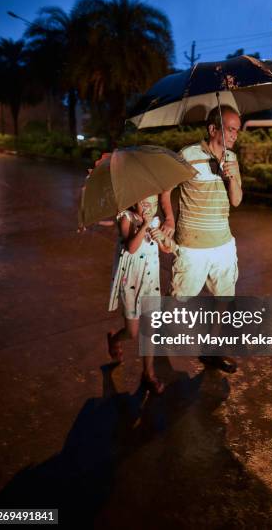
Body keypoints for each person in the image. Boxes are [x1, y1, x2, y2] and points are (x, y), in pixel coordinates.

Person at [168, 105, 243, 373]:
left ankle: (211, 350)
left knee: (224, 298)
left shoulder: (232, 158)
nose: (235, 134)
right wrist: (168, 219)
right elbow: (165, 189)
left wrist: (230, 177)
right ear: (213, 129)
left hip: (222, 243)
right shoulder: (187, 156)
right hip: (192, 245)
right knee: (177, 302)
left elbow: (236, 200)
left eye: (237, 130)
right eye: (230, 129)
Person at [107, 195, 175, 394]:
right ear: (133, 201)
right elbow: (131, 247)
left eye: (153, 203)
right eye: (144, 202)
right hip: (131, 282)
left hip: (150, 282)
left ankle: (148, 373)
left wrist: (163, 239)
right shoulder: (125, 217)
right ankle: (115, 339)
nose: (149, 206)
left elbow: (166, 249)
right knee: (132, 332)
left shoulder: (155, 221)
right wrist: (144, 225)